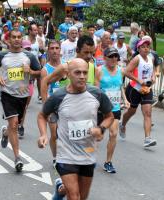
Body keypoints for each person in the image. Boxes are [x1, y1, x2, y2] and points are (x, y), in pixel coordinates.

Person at [37, 58, 114, 200]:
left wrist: (101, 128)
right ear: (68, 74)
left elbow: (110, 116)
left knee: (82, 197)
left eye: (85, 72)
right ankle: (64, 188)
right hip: (66, 154)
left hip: (88, 153)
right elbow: (42, 115)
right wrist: (43, 134)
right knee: (74, 196)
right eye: (77, 72)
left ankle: (61, 189)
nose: (82, 76)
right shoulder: (58, 96)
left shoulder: (97, 94)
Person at [0, 30, 40, 172]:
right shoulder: (2, 55)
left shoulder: (29, 56)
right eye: (14, 37)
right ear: (9, 40)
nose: (17, 40)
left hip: (23, 95)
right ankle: (17, 157)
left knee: (15, 125)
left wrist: (30, 71)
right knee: (14, 124)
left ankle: (5, 133)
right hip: (7, 93)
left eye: (19, 37)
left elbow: (40, 72)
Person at [95, 47, 129, 173]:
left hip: (114, 108)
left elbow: (120, 86)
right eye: (111, 56)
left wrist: (125, 99)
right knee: (98, 137)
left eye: (116, 56)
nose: (114, 59)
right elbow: (96, 90)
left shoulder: (121, 71)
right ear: (105, 58)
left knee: (113, 134)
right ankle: (89, 158)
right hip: (101, 109)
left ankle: (108, 162)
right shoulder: (99, 71)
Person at [120, 39, 157, 147]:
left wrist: (153, 77)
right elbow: (126, 72)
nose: (146, 48)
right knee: (132, 111)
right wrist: (139, 81)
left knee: (148, 113)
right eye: (143, 46)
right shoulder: (137, 59)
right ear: (138, 49)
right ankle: (122, 124)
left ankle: (147, 139)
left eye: (147, 46)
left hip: (147, 89)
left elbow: (153, 69)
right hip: (135, 89)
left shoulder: (151, 58)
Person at [40, 40, 63, 168]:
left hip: (66, 106)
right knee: (54, 134)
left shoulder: (66, 66)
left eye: (57, 48)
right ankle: (55, 157)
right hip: (52, 106)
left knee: (66, 133)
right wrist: (46, 108)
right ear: (48, 50)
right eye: (52, 48)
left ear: (60, 50)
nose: (54, 50)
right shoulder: (45, 70)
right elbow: (43, 90)